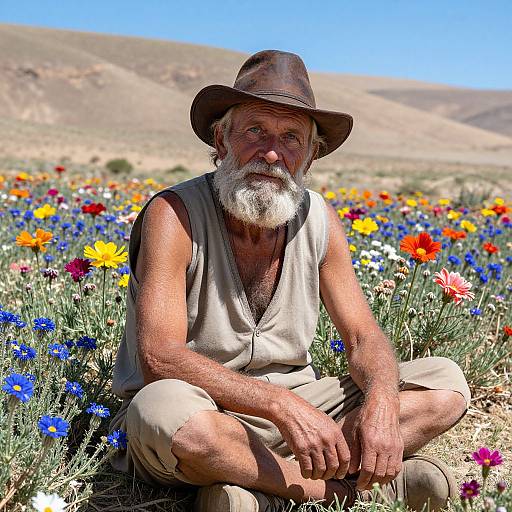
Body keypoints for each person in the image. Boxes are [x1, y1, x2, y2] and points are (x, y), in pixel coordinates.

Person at [109, 50, 471, 511]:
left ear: (312, 156)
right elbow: (161, 357)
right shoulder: (174, 216)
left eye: (292, 138)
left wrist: (380, 402)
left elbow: (362, 337)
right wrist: (282, 408)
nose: (272, 153)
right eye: (255, 131)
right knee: (164, 413)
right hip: (202, 410)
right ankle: (335, 491)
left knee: (445, 383)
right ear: (221, 140)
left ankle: (251, 489)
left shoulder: (318, 220)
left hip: (303, 416)